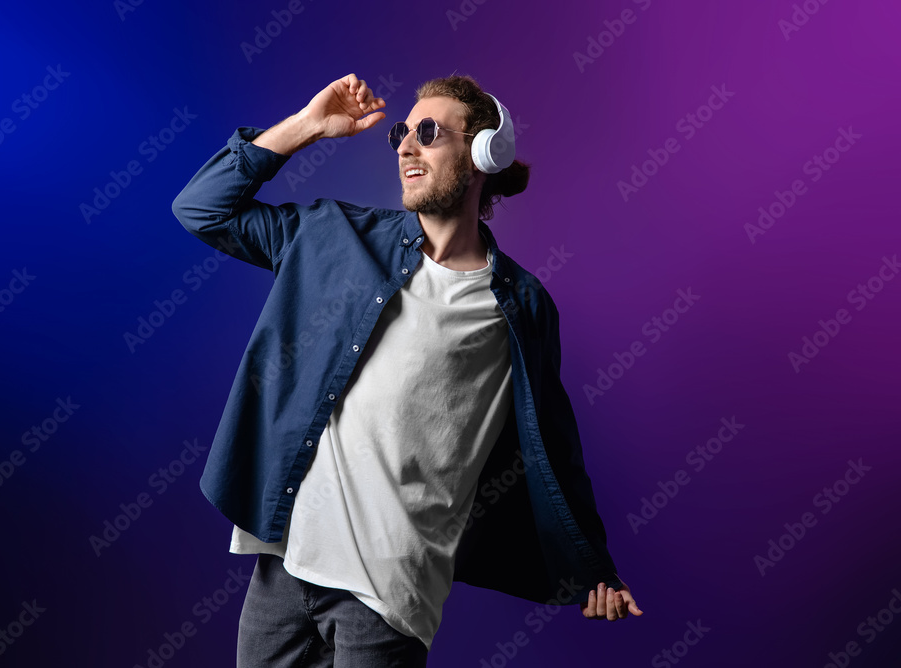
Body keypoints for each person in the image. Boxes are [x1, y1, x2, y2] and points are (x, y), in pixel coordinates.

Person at [171, 72, 642, 667]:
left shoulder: (518, 305)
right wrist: (308, 126)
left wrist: (591, 566)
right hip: (284, 568)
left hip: (389, 593)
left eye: (427, 132)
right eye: (401, 132)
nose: (404, 146)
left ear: (481, 155)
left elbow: (551, 440)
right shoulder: (332, 237)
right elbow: (202, 208)